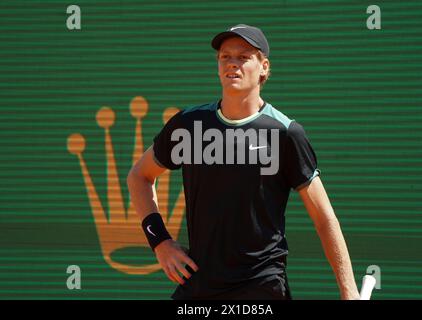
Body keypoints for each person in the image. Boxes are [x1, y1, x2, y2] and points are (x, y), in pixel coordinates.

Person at [127, 24, 360, 300]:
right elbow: (139, 177)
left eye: (243, 57)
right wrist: (160, 242)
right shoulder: (188, 126)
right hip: (200, 283)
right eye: (226, 57)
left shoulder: (285, 133)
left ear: (263, 67)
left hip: (262, 285)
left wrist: (350, 292)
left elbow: (324, 218)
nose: (232, 64)